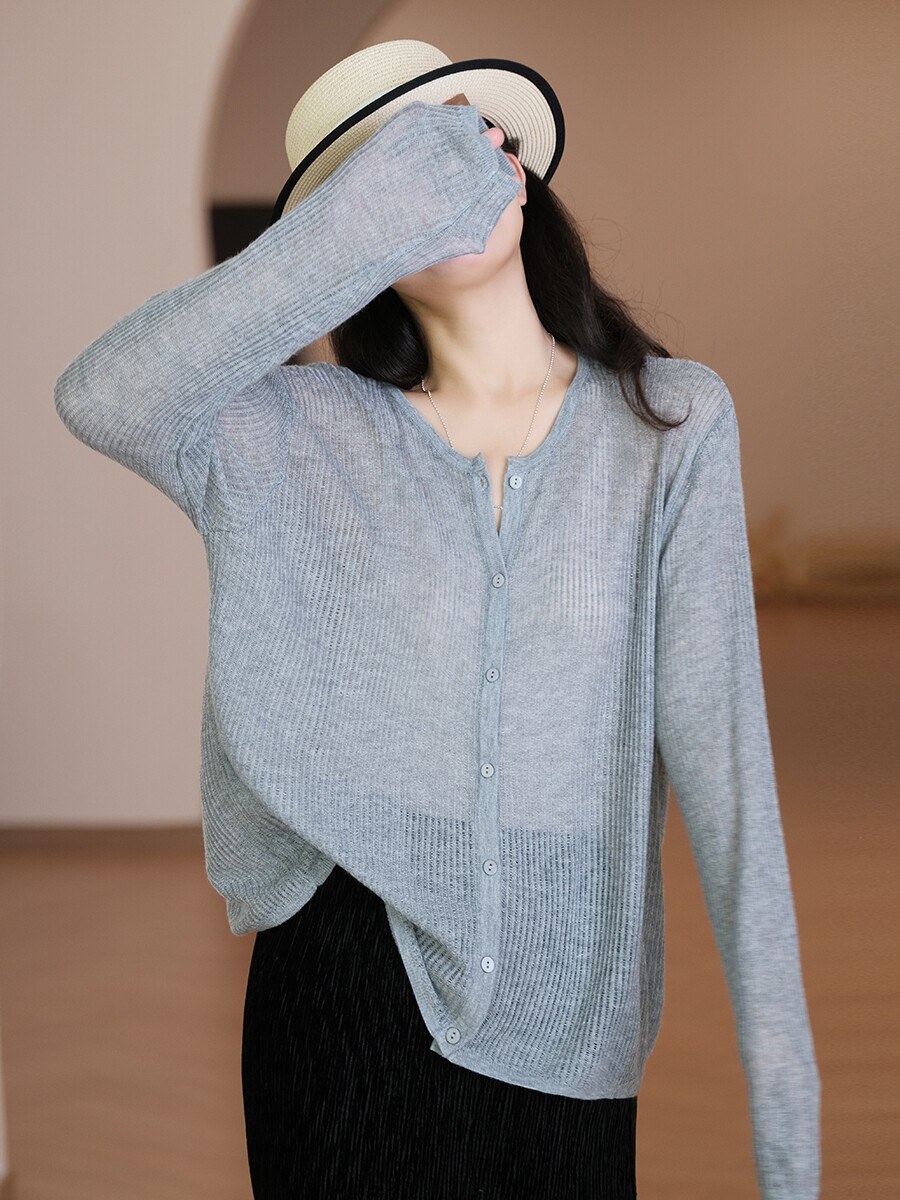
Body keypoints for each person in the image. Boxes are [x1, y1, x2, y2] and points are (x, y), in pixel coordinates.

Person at [53, 38, 820, 1200]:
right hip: (341, 991)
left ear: (517, 170)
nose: (438, 183)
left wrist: (787, 1099)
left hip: (571, 1008)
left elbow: (728, 769)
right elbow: (103, 396)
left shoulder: (670, 426)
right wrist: (355, 225)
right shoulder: (288, 431)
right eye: (391, 176)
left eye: (462, 145)